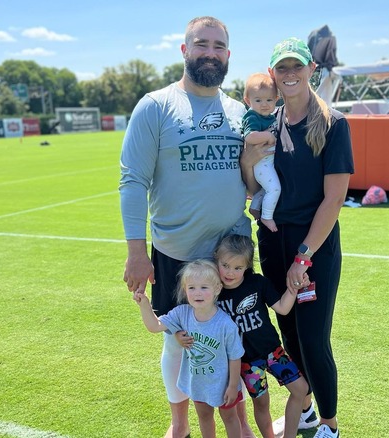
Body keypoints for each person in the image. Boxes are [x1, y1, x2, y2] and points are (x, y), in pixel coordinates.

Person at [119, 16, 255, 438]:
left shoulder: (239, 113)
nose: (210, 53)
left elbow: (250, 178)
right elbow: (132, 180)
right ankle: (179, 422)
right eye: (202, 44)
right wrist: (137, 252)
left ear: (228, 56)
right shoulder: (156, 106)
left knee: (235, 338)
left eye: (218, 46)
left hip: (229, 257)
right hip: (176, 254)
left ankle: (237, 415)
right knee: (178, 339)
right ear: (184, 51)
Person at [239, 37, 354, 438]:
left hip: (313, 248)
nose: (289, 74)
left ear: (311, 70)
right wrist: (249, 163)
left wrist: (303, 258)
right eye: (281, 68)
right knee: (287, 331)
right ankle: (303, 408)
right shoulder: (267, 122)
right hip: (273, 242)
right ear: (272, 75)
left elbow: (335, 199)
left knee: (312, 336)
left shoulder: (334, 123)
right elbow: (253, 189)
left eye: (297, 66)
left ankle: (329, 424)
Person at [177, 234, 310, 438]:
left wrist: (293, 288)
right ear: (216, 259)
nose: (230, 272)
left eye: (238, 268)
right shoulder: (213, 292)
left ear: (247, 266)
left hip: (273, 351)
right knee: (262, 403)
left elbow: (283, 308)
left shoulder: (257, 283)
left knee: (301, 389)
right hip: (247, 363)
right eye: (226, 265)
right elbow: (192, 316)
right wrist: (179, 334)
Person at [134, 260, 245, 438]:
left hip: (223, 384)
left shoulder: (225, 324)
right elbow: (154, 326)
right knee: (204, 416)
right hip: (198, 382)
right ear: (185, 290)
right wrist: (144, 304)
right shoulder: (181, 313)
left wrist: (233, 386)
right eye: (191, 287)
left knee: (230, 418)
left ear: (217, 289)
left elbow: (235, 357)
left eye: (204, 287)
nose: (197, 293)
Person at [241, 73, 280, 233]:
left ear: (276, 99)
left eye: (269, 100)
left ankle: (255, 207)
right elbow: (250, 136)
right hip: (261, 163)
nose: (264, 104)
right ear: (248, 101)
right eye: (258, 100)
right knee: (274, 189)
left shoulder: (270, 116)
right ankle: (267, 216)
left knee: (265, 189)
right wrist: (268, 136)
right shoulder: (252, 116)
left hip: (267, 162)